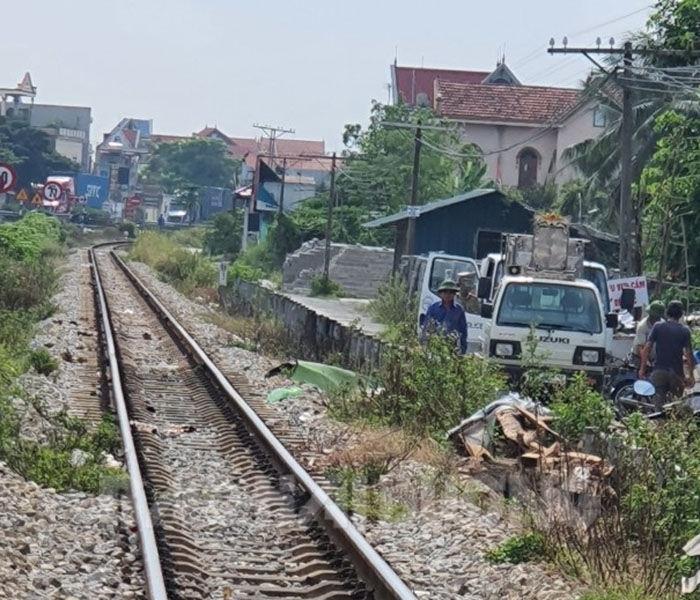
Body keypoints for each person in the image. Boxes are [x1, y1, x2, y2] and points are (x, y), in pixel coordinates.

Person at [639, 300, 695, 403]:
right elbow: (689, 354)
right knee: (675, 406)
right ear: (681, 314)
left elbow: (647, 348)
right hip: (677, 374)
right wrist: (691, 375)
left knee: (658, 407)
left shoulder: (658, 326)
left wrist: (642, 368)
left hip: (659, 371)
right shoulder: (685, 330)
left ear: (667, 312)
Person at [422, 279, 468, 354]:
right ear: (440, 293)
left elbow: (463, 331)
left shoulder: (459, 310)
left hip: (452, 347)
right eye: (445, 292)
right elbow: (426, 328)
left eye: (451, 292)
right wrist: (424, 347)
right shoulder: (433, 308)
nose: (447, 295)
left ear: (454, 294)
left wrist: (463, 350)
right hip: (435, 346)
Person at [632, 300, 665, 366]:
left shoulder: (663, 324)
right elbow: (640, 347)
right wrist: (645, 362)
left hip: (655, 358)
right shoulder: (642, 326)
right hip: (639, 357)